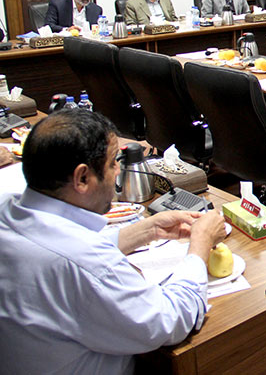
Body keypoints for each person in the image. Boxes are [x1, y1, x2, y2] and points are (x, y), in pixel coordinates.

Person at [0, 109, 226, 374]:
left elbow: (61, 249)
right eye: (111, 164)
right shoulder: (86, 261)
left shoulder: (8, 210)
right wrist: (200, 245)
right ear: (82, 178)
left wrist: (147, 230)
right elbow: (168, 322)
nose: (118, 170)